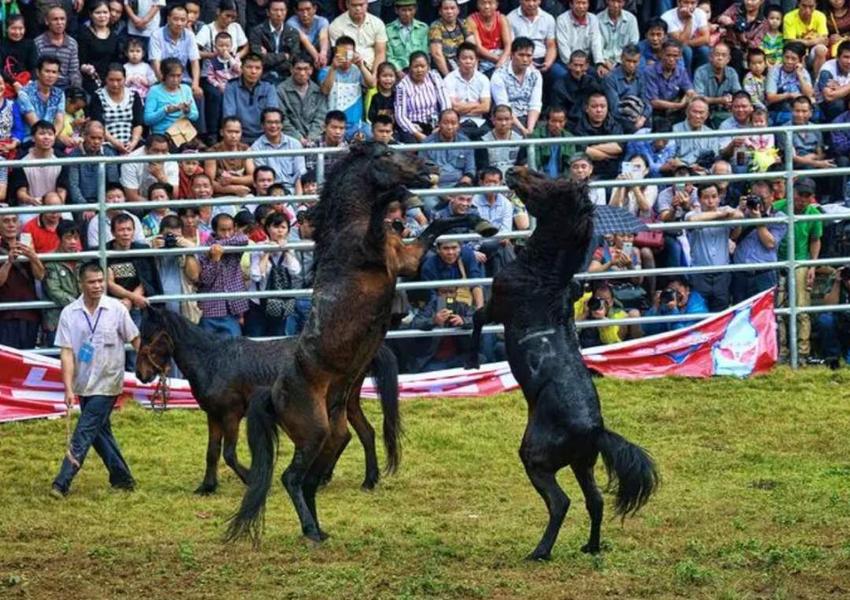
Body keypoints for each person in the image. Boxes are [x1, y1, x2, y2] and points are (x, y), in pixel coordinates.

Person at [49, 261, 139, 498]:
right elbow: (66, 352)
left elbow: (135, 338)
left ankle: (62, 481)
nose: (98, 286)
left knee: (85, 430)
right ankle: (122, 478)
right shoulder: (69, 313)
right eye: (92, 282)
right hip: (83, 382)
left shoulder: (117, 309)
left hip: (109, 382)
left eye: (101, 281)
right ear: (81, 284)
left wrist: (150, 362)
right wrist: (68, 388)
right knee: (99, 431)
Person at [775, 177, 823, 362]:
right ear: (792, 192)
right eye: (799, 194)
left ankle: (802, 352)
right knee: (778, 309)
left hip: (801, 262)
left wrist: (812, 265)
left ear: (811, 197)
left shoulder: (813, 213)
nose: (801, 199)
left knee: (802, 309)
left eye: (806, 196)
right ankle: (782, 351)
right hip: (777, 262)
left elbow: (815, 240)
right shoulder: (778, 206)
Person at [684, 183, 744, 312]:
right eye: (706, 197)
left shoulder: (726, 209)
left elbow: (739, 216)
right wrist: (720, 215)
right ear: (699, 200)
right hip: (699, 273)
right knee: (698, 314)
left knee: (721, 315)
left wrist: (729, 216)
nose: (710, 201)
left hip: (722, 273)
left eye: (714, 196)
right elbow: (692, 220)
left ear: (719, 198)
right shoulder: (692, 214)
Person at [245, 212, 302, 337]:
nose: (280, 231)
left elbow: (295, 270)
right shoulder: (259, 247)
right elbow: (256, 275)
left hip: (280, 305)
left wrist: (286, 251)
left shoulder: (289, 247)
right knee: (255, 340)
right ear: (267, 229)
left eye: (283, 227)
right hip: (258, 305)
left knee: (277, 339)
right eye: (276, 227)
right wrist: (266, 253)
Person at [730, 180, 787, 303]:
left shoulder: (778, 217)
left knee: (766, 314)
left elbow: (770, 243)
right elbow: (733, 236)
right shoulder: (742, 212)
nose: (758, 201)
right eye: (755, 197)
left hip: (765, 273)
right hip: (741, 273)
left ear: (772, 196)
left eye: (762, 198)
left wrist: (758, 220)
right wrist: (740, 213)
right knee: (739, 313)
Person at [197, 213, 250, 337]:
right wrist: (215, 259)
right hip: (210, 310)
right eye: (222, 230)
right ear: (215, 230)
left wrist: (219, 246)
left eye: (230, 230)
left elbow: (244, 239)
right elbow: (205, 279)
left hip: (232, 309)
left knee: (234, 349)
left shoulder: (236, 242)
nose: (226, 234)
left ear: (235, 228)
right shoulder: (204, 249)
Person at [0, 212, 45, 349]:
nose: (11, 225)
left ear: (20, 224)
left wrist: (33, 257)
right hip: (6, 315)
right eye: (6, 221)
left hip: (29, 313)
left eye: (14, 220)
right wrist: (8, 262)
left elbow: (40, 276)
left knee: (28, 359)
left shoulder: (27, 244)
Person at [9, 121, 69, 224]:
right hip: (30, 205)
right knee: (24, 221)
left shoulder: (62, 159)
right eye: (42, 133)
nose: (46, 137)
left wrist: (54, 206)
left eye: (50, 134)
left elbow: (62, 191)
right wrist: (32, 200)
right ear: (33, 138)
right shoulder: (21, 160)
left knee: (68, 220)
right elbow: (21, 192)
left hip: (55, 205)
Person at [319, 36, 376, 138]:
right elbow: (325, 90)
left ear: (354, 53)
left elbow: (371, 85)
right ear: (336, 52)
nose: (345, 57)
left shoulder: (358, 70)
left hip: (356, 125)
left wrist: (361, 66)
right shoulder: (326, 71)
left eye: (349, 53)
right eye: (342, 52)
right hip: (335, 125)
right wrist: (333, 68)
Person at [150, 215, 202, 321]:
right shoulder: (149, 245)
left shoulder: (187, 247)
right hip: (156, 309)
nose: (171, 239)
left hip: (183, 310)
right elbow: (145, 273)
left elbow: (194, 276)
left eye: (176, 236)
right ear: (160, 233)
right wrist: (153, 250)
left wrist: (188, 252)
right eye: (168, 235)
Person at [222, 53, 281, 144]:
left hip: (264, 136)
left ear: (262, 70)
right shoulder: (231, 86)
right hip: (239, 137)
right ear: (241, 68)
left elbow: (272, 115)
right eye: (249, 67)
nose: (253, 71)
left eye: (257, 68)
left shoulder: (269, 86)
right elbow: (229, 115)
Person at [490, 36, 543, 136]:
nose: (525, 59)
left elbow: (535, 103)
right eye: (521, 55)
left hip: (529, 118)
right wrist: (522, 129)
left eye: (529, 55)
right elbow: (503, 106)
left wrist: (530, 128)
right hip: (508, 119)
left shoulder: (535, 75)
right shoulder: (499, 75)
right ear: (512, 55)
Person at [394, 50, 451, 142]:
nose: (419, 70)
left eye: (423, 66)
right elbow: (400, 116)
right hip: (414, 126)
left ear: (428, 67)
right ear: (410, 68)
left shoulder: (434, 77)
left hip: (435, 125)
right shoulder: (402, 86)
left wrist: (441, 126)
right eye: (416, 66)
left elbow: (446, 103)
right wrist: (417, 133)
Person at [42, 220, 83, 346]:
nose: (73, 242)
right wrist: (80, 305)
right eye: (68, 238)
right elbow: (54, 290)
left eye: (76, 238)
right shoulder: (50, 260)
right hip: (57, 320)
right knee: (58, 362)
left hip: (83, 320)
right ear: (59, 238)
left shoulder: (85, 258)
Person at [89, 65, 145, 155]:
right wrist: (116, 143)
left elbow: (138, 124)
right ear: (106, 79)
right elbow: (99, 125)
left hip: (131, 142)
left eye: (119, 80)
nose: (115, 84)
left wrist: (133, 143)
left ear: (124, 79)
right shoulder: (98, 96)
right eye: (111, 80)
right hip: (107, 143)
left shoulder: (134, 95)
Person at [250, 108, 307, 195]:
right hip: (269, 194)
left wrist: (298, 200)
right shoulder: (257, 147)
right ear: (262, 125)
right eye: (269, 122)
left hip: (293, 192)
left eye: (277, 122)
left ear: (282, 124)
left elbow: (299, 174)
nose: (273, 126)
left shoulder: (295, 144)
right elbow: (264, 178)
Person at [67, 121, 120, 212]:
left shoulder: (109, 153)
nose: (96, 142)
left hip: (105, 201)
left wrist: (103, 205)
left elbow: (113, 184)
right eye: (93, 138)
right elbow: (73, 186)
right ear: (84, 136)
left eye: (100, 138)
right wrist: (86, 207)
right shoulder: (74, 155)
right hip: (82, 204)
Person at [443, 42, 491, 139]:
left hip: (479, 122)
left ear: (476, 60)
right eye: (464, 58)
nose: (468, 62)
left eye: (471, 58)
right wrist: (476, 103)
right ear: (457, 60)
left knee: (488, 139)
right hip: (458, 123)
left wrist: (462, 108)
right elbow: (454, 108)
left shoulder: (483, 79)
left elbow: (485, 107)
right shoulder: (449, 79)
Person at [328, 0, 388, 76]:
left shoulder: (377, 23)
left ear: (367, 4)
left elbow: (380, 53)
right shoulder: (336, 25)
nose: (358, 8)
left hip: (374, 69)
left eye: (361, 5)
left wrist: (375, 74)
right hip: (349, 70)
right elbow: (341, 54)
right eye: (354, 5)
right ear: (347, 4)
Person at [278, 54, 328, 145]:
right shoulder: (281, 90)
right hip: (289, 140)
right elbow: (282, 119)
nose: (302, 73)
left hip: (314, 140)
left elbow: (321, 117)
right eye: (298, 69)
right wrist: (298, 138)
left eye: (306, 69)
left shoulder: (317, 91)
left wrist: (311, 137)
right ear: (291, 70)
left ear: (311, 70)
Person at [143, 57, 201, 136]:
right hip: (162, 135)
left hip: (183, 134)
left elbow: (195, 116)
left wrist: (187, 111)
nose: (175, 80)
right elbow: (147, 119)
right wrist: (166, 111)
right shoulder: (154, 91)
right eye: (172, 76)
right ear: (164, 75)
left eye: (178, 76)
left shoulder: (186, 89)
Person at [248, 0, 303, 83]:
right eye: (275, 10)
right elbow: (258, 59)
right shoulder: (257, 31)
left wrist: (269, 57)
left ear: (286, 12)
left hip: (287, 75)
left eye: (282, 10)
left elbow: (294, 58)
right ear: (268, 12)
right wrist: (284, 56)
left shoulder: (293, 33)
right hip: (263, 75)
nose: (279, 14)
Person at [644, 39, 695, 127]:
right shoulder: (650, 71)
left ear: (680, 56)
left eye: (675, 56)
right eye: (668, 55)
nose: (671, 59)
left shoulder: (681, 70)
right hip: (654, 113)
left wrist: (688, 96)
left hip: (674, 112)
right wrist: (679, 105)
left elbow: (690, 90)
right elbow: (654, 102)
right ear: (661, 54)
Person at [694, 42, 742, 128]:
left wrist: (731, 101)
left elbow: (738, 94)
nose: (720, 58)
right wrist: (720, 100)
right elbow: (698, 99)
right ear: (710, 57)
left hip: (725, 112)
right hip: (703, 112)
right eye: (717, 55)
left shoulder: (732, 72)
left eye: (724, 55)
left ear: (728, 59)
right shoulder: (700, 72)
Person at [17, 56, 65, 141]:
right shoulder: (25, 93)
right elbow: (34, 123)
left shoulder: (59, 94)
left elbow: (59, 121)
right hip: (30, 140)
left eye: (54, 72)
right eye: (47, 71)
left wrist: (52, 137)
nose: (50, 75)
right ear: (38, 72)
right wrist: (48, 138)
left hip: (51, 139)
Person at [204, 117, 256, 197]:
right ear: (221, 132)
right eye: (229, 132)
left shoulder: (245, 149)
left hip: (245, 194)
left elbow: (253, 178)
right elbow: (209, 182)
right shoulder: (212, 152)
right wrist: (234, 189)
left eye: (237, 132)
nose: (233, 136)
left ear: (241, 133)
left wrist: (232, 179)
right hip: (220, 196)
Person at [120, 134, 179, 203]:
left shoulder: (171, 161)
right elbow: (132, 197)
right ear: (146, 149)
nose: (160, 155)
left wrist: (161, 177)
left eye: (164, 151)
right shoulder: (131, 161)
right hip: (141, 204)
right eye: (156, 151)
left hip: (164, 203)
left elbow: (174, 196)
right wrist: (155, 206)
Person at [765, 41, 814, 124]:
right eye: (786, 57)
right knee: (788, 115)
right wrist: (789, 95)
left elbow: (809, 95)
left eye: (793, 59)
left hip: (800, 107)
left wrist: (799, 75)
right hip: (780, 107)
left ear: (800, 60)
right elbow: (770, 97)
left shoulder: (803, 72)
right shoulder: (774, 71)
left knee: (815, 113)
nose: (789, 61)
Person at [34, 5, 82, 90]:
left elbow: (74, 72)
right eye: (55, 19)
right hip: (44, 87)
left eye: (62, 19)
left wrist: (75, 90)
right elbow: (36, 71)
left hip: (66, 87)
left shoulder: (72, 43)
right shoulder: (38, 43)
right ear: (47, 21)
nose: (59, 23)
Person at [78, 1, 121, 95]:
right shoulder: (84, 34)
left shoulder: (114, 36)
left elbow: (116, 61)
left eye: (105, 12)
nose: (102, 16)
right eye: (98, 13)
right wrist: (86, 68)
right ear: (91, 14)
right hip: (90, 79)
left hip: (110, 79)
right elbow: (80, 61)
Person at [86, 184, 146, 249]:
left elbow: (141, 244)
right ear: (104, 200)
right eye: (111, 198)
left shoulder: (134, 219)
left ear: (125, 198)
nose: (116, 200)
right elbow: (94, 248)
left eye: (119, 197)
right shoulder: (96, 222)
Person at [642, 276, 709, 335]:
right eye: (671, 292)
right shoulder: (666, 301)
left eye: (677, 292)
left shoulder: (698, 308)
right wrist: (655, 309)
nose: (675, 296)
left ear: (687, 290)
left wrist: (673, 312)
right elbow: (648, 331)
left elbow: (683, 336)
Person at [506, 0, 558, 75]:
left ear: (540, 1)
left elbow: (551, 45)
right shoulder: (510, 18)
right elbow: (511, 46)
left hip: (542, 58)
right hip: (520, 59)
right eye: (527, 0)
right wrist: (527, 62)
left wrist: (547, 63)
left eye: (534, 0)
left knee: (558, 73)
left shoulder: (548, 18)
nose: (531, 4)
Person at [556, 0, 604, 76]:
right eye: (578, 3)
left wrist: (599, 63)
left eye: (584, 3)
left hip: (586, 63)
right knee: (559, 73)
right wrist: (575, 66)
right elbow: (563, 46)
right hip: (567, 63)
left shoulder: (593, 19)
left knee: (600, 74)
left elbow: (596, 43)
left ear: (588, 4)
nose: (581, 6)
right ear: (571, 4)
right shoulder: (562, 19)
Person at [662, 0, 711, 72]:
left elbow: (706, 38)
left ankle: (699, 76)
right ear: (678, 2)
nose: (689, 6)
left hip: (691, 44)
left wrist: (687, 43)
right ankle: (687, 77)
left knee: (705, 50)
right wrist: (689, 20)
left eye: (693, 3)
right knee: (686, 51)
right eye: (686, 2)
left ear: (697, 3)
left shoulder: (700, 13)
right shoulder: (667, 17)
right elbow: (680, 43)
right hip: (672, 48)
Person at [429, 0, 474, 77]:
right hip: (444, 68)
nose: (449, 11)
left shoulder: (464, 23)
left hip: (462, 63)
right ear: (440, 11)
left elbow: (472, 47)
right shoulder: (435, 26)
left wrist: (473, 72)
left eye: (452, 8)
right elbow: (437, 54)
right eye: (445, 9)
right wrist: (448, 77)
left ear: (458, 10)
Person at [528, 105, 576, 177]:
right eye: (553, 121)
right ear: (547, 121)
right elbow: (535, 163)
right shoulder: (536, 135)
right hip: (540, 180)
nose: (557, 125)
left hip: (562, 181)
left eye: (561, 122)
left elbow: (570, 164)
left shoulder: (569, 138)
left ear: (565, 121)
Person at [783, 0, 829, 76]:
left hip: (813, 53)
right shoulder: (789, 17)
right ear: (798, 4)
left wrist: (802, 41)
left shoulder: (820, 16)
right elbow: (790, 41)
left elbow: (824, 39)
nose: (807, 10)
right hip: (797, 51)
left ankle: (818, 82)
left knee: (821, 49)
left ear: (816, 5)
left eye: (811, 7)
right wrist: (811, 42)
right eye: (804, 6)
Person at [466, 0, 511, 74]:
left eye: (490, 3)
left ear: (496, 5)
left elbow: (508, 45)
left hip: (501, 54)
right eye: (483, 3)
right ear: (477, 5)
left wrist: (502, 60)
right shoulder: (471, 20)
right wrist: (499, 61)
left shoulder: (501, 18)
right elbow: (478, 48)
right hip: (482, 57)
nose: (486, 6)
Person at [478, 104, 522, 175]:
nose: (503, 123)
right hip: (492, 179)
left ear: (511, 120)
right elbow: (483, 168)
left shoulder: (520, 140)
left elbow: (522, 165)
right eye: (499, 119)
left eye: (507, 119)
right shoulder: (483, 141)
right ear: (493, 120)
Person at [287, 0, 331, 69]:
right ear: (296, 11)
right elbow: (304, 40)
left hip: (318, 52)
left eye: (308, 9)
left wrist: (323, 54)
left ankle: (323, 67)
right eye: (301, 10)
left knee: (327, 45)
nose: (305, 14)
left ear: (314, 9)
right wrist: (316, 57)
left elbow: (323, 37)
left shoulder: (322, 21)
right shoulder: (291, 22)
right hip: (302, 55)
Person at [816, 39, 850, 121]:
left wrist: (841, 88)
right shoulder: (827, 70)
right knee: (838, 103)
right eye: (846, 57)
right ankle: (834, 131)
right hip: (823, 106)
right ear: (837, 57)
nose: (849, 61)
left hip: (845, 100)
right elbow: (829, 96)